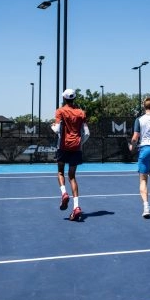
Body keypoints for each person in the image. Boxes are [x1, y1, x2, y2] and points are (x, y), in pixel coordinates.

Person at [52, 89, 90, 221]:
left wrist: (52, 127)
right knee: (72, 177)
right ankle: (76, 207)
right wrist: (79, 143)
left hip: (63, 147)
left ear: (64, 98)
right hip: (76, 149)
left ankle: (64, 193)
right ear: (74, 98)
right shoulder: (81, 112)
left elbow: (56, 129)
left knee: (61, 172)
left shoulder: (60, 111)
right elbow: (87, 133)